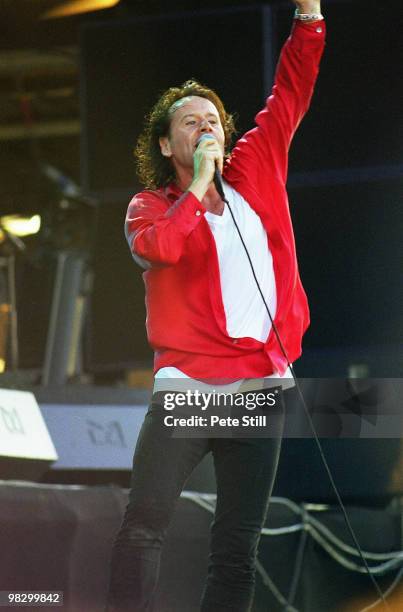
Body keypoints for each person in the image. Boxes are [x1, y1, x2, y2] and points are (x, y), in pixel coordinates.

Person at [106, 1, 325, 610]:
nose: (204, 126)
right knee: (145, 524)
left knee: (237, 548)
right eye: (189, 122)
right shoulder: (150, 206)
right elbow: (163, 250)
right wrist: (198, 185)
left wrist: (307, 15)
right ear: (165, 142)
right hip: (188, 386)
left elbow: (290, 92)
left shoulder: (257, 167)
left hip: (261, 387)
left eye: (213, 119)